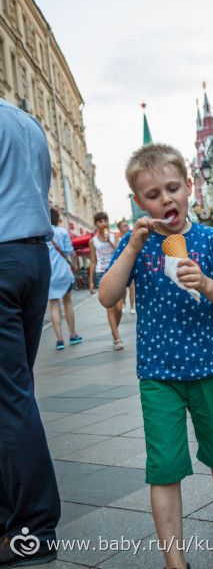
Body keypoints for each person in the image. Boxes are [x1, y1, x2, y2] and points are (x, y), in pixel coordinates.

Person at [99, 143, 213, 569]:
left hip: (209, 366)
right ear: (138, 202)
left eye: (173, 188)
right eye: (153, 194)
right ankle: (174, 560)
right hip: (158, 375)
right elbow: (108, 295)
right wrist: (130, 247)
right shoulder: (136, 243)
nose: (166, 199)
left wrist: (206, 284)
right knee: (163, 465)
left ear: (189, 188)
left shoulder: (209, 239)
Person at [0, 99, 60, 566]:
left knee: (10, 393)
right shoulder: (27, 122)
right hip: (33, 258)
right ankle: (16, 515)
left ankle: (32, 528)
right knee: (16, 389)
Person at [48, 207, 82, 349]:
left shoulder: (40, 234)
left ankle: (59, 340)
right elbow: (69, 251)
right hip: (63, 272)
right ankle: (73, 335)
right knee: (67, 303)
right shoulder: (62, 232)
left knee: (53, 305)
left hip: (49, 274)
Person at [89, 212, 124, 350]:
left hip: (115, 271)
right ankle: (117, 338)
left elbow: (118, 251)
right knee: (110, 307)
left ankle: (114, 330)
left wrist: (108, 239)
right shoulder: (93, 241)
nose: (103, 223)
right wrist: (91, 281)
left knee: (119, 307)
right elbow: (92, 261)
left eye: (105, 220)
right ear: (96, 224)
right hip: (101, 273)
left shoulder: (114, 236)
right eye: (100, 221)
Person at [117, 218, 135, 314]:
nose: (127, 227)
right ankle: (124, 303)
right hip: (122, 265)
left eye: (127, 225)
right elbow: (116, 251)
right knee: (123, 288)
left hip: (132, 264)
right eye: (124, 226)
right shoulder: (118, 239)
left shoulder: (132, 237)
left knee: (132, 286)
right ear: (119, 229)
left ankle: (132, 307)